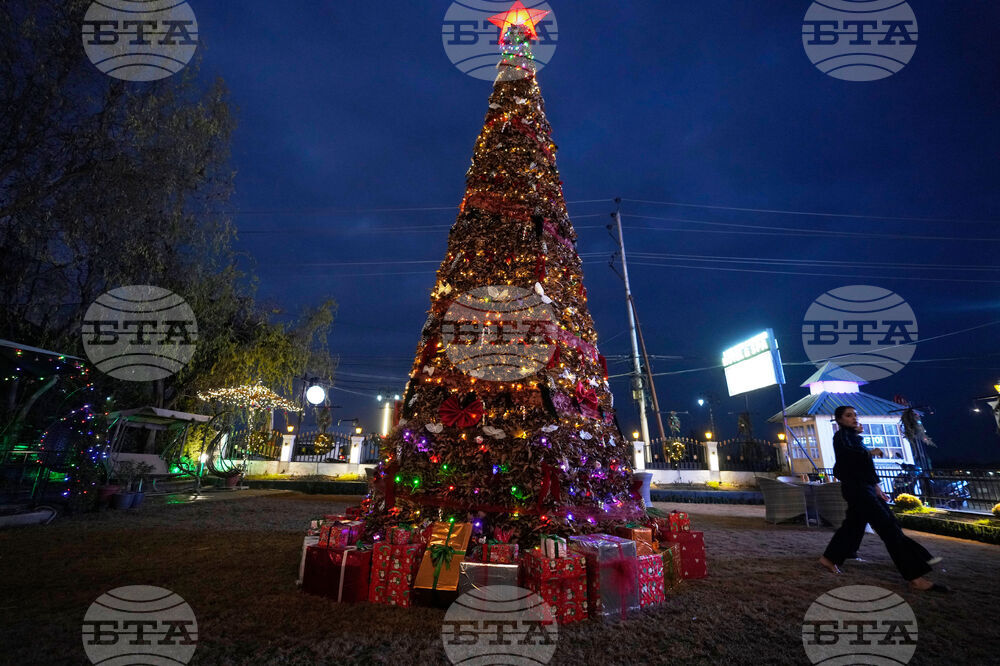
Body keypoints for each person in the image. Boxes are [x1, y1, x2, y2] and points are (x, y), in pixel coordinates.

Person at [818, 406, 949, 593]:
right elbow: (848, 457)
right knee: (888, 528)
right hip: (859, 490)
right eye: (848, 415)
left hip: (864, 489)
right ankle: (916, 575)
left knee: (854, 526)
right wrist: (870, 453)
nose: (854, 418)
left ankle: (830, 558)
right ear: (839, 420)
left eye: (855, 415)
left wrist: (876, 487)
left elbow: (864, 468)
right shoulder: (842, 437)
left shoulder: (853, 438)